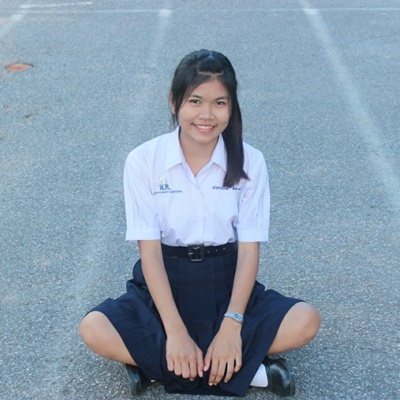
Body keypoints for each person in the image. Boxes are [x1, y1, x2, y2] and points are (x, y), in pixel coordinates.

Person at [79, 49, 321, 397]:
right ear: (174, 101)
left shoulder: (250, 161)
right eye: (195, 101)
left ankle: (158, 368)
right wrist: (176, 332)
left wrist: (232, 325)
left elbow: (248, 252)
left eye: (219, 103)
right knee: (93, 328)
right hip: (164, 281)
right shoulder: (143, 160)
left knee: (306, 320)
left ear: (231, 106)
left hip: (227, 282)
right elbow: (150, 253)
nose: (207, 115)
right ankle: (253, 372)